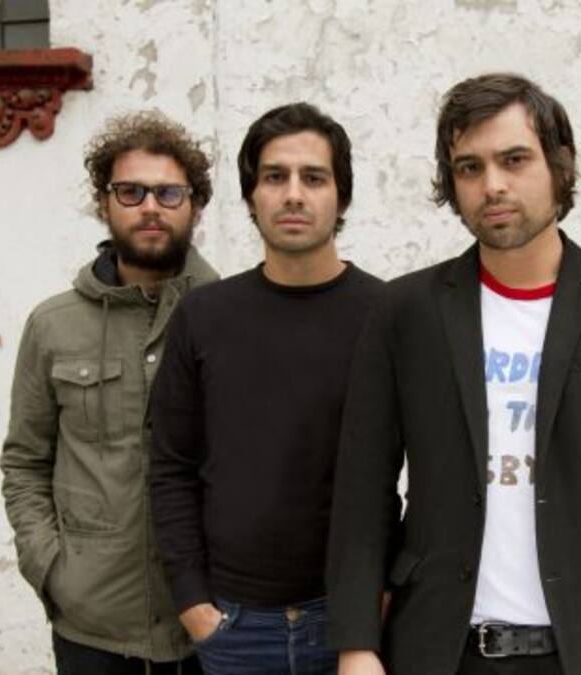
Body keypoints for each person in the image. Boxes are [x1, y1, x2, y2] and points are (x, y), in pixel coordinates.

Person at [326, 73, 581, 675]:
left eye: (514, 160)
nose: (493, 185)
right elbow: (362, 488)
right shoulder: (406, 311)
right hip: (440, 648)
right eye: (469, 167)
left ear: (559, 167)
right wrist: (356, 644)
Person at [148, 102, 383, 675]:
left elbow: (428, 468)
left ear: (342, 197)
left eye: (314, 177)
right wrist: (194, 604)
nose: (293, 195)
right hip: (233, 628)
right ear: (252, 196)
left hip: (351, 624)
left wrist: (382, 599)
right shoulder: (204, 316)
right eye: (275, 177)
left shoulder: (387, 315)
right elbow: (171, 465)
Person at [1, 110, 218, 674]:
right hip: (92, 628)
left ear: (195, 205)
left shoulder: (231, 317)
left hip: (210, 624)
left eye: (169, 192)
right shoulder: (53, 325)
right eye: (131, 191)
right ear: (104, 203)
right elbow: (25, 462)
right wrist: (51, 569)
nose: (150, 206)